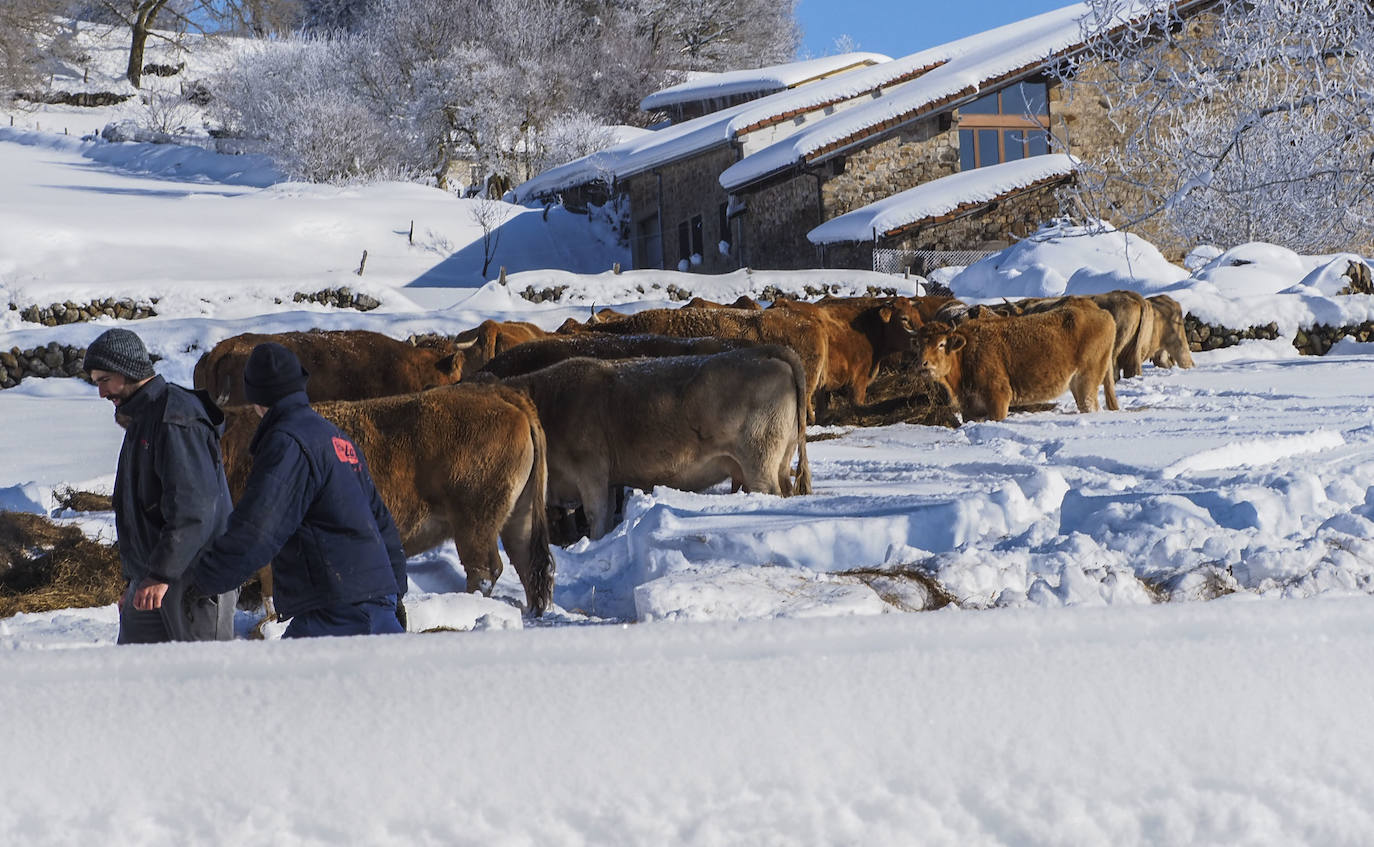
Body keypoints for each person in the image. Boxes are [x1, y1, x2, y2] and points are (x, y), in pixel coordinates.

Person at [184, 342, 408, 637]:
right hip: (375, 602)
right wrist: (395, 592)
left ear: (257, 399)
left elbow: (257, 530)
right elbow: (381, 523)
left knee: (288, 682)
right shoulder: (336, 439)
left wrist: (200, 582)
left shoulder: (287, 443)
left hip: (338, 609)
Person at [84, 327, 238, 644]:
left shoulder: (175, 418)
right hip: (154, 578)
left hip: (195, 576)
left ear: (126, 370)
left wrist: (160, 574)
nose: (101, 393)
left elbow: (193, 507)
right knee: (136, 682)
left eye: (103, 381)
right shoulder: (143, 417)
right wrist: (136, 578)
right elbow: (135, 509)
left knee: (202, 682)